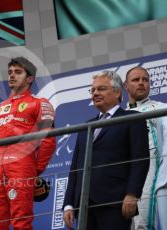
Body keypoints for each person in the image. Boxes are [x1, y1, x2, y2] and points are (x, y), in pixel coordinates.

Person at [63, 70, 149, 230]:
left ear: (117, 93)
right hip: (84, 206)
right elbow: (75, 168)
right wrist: (68, 204)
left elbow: (140, 160)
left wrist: (132, 194)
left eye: (101, 89)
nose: (95, 93)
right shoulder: (85, 127)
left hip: (115, 202)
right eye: (93, 90)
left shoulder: (132, 119)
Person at [0, 57, 56, 229]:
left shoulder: (40, 103)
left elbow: (48, 140)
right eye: (10, 72)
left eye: (18, 72)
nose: (12, 76)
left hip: (22, 167)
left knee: (21, 221)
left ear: (30, 78)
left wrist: (34, 169)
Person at [125, 66, 167, 230]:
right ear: (126, 86)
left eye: (145, 80)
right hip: (126, 178)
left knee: (143, 224)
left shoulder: (161, 108)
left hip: (156, 173)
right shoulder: (120, 115)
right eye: (136, 80)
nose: (141, 83)